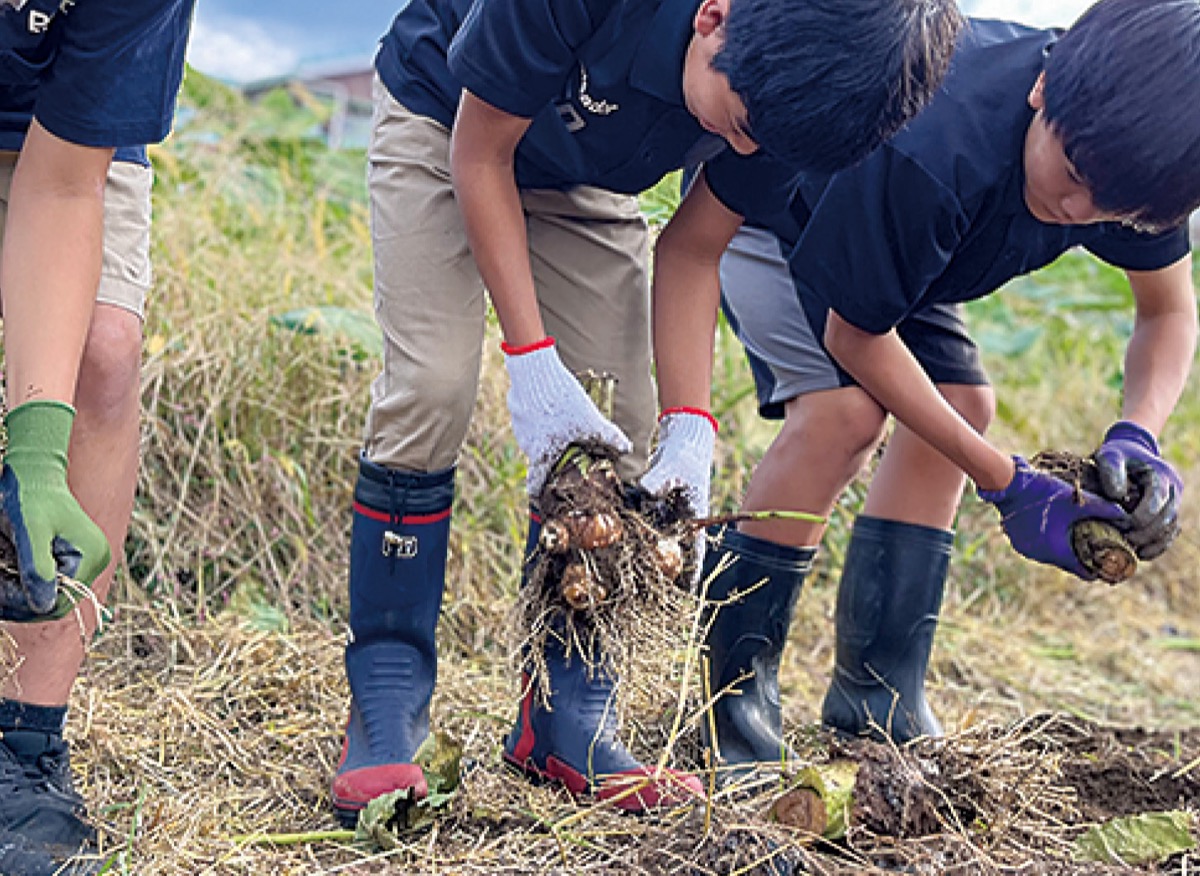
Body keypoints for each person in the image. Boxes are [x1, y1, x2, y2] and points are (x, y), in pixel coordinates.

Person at [332, 0, 963, 822]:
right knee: (433, 386)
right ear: (713, 17)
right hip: (449, 116)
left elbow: (694, 248)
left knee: (619, 420)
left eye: (760, 143)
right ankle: (386, 696)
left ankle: (566, 718)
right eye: (738, 124)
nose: (742, 150)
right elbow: (481, 155)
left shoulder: (782, 101)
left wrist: (690, 428)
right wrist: (528, 363)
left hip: (584, 176)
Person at [652, 0, 1199, 768]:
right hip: (780, 214)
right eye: (1072, 178)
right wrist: (1007, 483)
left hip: (898, 255)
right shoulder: (942, 148)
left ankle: (878, 703)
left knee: (965, 404)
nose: (1081, 211)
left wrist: (1138, 431)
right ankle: (724, 712)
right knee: (842, 414)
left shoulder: (1134, 157)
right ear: (1043, 93)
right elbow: (854, 337)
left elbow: (1169, 312)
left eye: (1113, 210)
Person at [0, 1, 196, 872]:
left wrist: (36, 454)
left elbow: (62, 183)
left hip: (59, 134)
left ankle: (26, 740)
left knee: (104, 355)